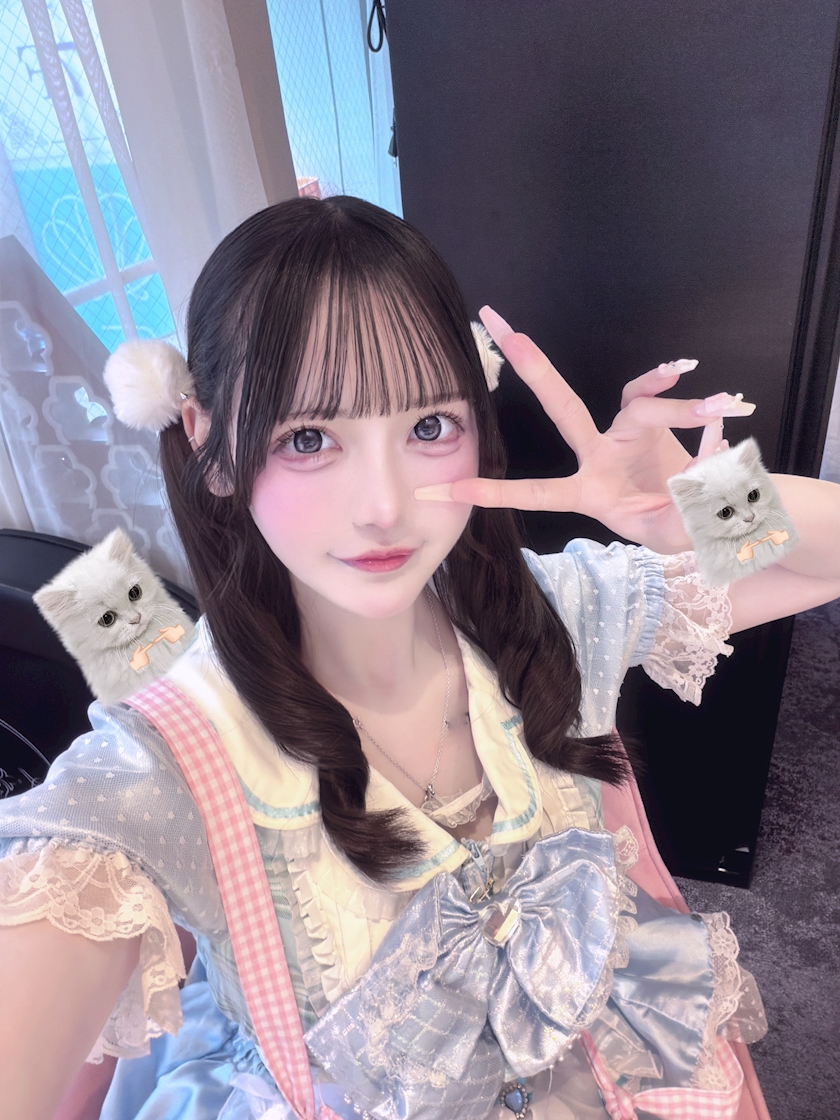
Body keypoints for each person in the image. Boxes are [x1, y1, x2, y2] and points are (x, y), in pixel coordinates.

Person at [1, 195, 839, 1120]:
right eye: (309, 438)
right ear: (212, 446)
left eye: (429, 426)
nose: (385, 506)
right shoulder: (167, 766)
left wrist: (692, 505)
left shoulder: (551, 612)